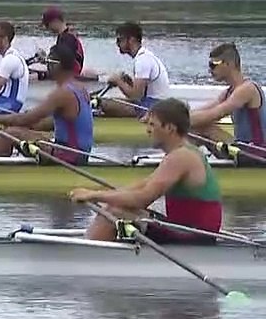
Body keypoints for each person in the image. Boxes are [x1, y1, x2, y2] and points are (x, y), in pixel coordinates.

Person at [69, 98, 222, 244]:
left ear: (170, 128)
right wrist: (101, 196)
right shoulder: (181, 152)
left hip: (195, 234)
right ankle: (94, 249)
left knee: (113, 213)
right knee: (112, 208)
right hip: (184, 228)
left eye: (152, 125)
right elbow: (142, 186)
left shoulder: (181, 157)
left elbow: (142, 199)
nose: (148, 130)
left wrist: (94, 195)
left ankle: (87, 259)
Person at [0, 45, 94, 164]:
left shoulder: (62, 94)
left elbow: (23, 119)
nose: (46, 66)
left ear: (57, 65)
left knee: (9, 133)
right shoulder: (80, 88)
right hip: (78, 153)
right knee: (20, 128)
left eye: (48, 62)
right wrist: (31, 125)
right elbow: (55, 122)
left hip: (68, 156)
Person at [189, 43, 266, 164]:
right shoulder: (229, 92)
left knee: (204, 128)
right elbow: (202, 111)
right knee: (198, 126)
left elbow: (213, 115)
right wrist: (173, 115)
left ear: (228, 64)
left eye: (213, 65)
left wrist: (175, 122)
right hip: (242, 148)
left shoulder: (247, 89)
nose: (210, 70)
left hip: (257, 153)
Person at [97, 22, 171, 118]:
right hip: (151, 103)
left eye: (120, 40)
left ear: (131, 40)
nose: (117, 44)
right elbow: (142, 92)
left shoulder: (143, 60)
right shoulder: (144, 56)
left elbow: (136, 96)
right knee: (109, 101)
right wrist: (127, 82)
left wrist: (118, 81)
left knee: (102, 103)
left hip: (152, 108)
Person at [37, 7, 86, 78]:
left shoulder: (68, 38)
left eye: (47, 24)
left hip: (70, 76)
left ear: (55, 21)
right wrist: (47, 60)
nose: (46, 28)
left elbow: (67, 62)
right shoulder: (64, 36)